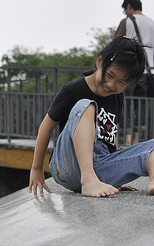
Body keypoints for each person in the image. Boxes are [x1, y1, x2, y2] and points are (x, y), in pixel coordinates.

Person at [29, 36, 154, 198]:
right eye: (109, 75)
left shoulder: (117, 97)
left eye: (121, 82)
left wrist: (116, 176)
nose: (111, 84)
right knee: (86, 106)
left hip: (101, 168)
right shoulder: (73, 90)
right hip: (69, 165)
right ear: (100, 61)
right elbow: (46, 126)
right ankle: (88, 179)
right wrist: (36, 169)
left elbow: (111, 137)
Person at [113, 0, 154, 146]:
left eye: (125, 9)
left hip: (131, 71)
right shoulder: (151, 22)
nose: (125, 12)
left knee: (126, 104)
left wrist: (113, 37)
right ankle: (138, 140)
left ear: (129, 7)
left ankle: (128, 139)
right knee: (142, 106)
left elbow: (117, 42)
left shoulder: (127, 21)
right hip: (149, 72)